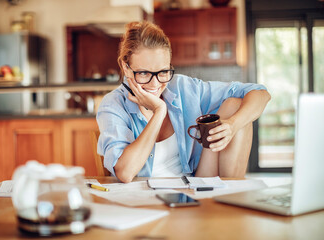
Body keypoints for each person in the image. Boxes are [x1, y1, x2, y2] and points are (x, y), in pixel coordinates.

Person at [96, 21, 271, 183]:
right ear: (126, 67)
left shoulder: (183, 87)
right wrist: (159, 111)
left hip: (191, 189)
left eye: (163, 72)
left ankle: (230, 201)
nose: (155, 84)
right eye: (143, 73)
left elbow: (260, 93)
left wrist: (232, 125)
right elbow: (125, 173)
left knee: (235, 106)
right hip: (144, 198)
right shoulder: (112, 105)